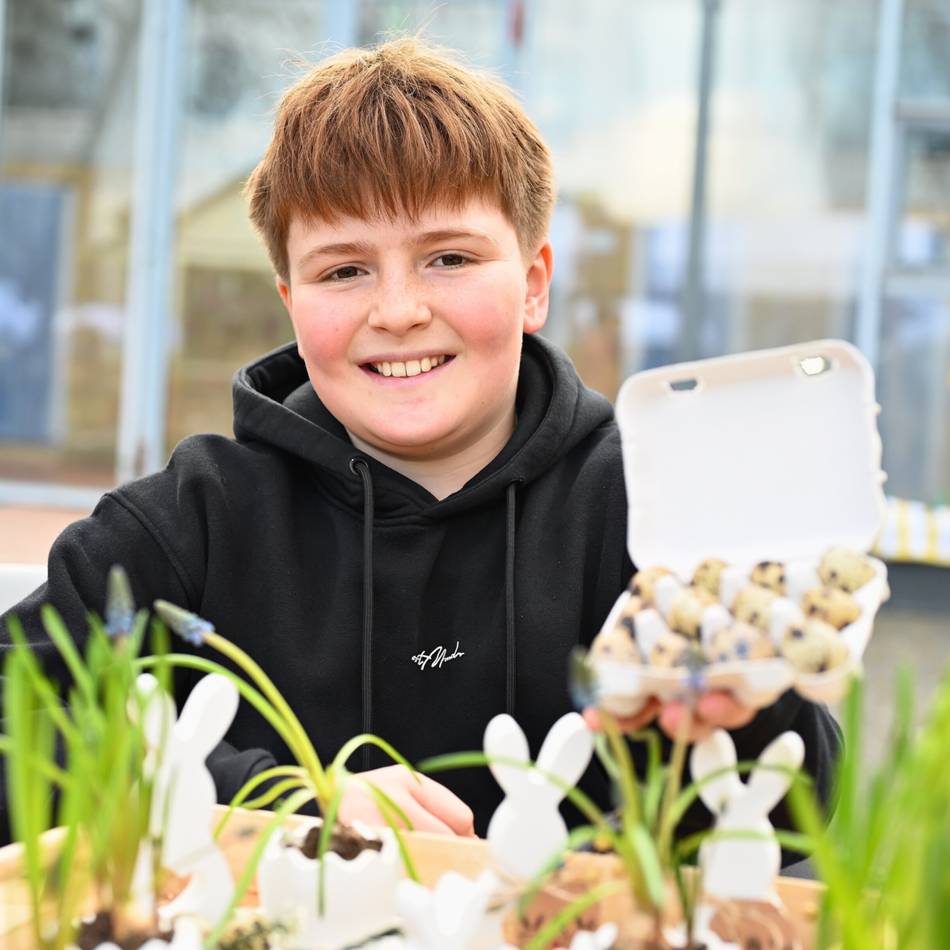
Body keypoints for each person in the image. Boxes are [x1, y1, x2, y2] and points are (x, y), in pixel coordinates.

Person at [0, 38, 839, 844]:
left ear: (535, 284)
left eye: (447, 258)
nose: (397, 310)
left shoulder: (651, 508)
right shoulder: (193, 520)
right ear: (292, 302)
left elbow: (800, 798)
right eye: (344, 270)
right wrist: (279, 802)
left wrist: (741, 713)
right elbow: (16, 717)